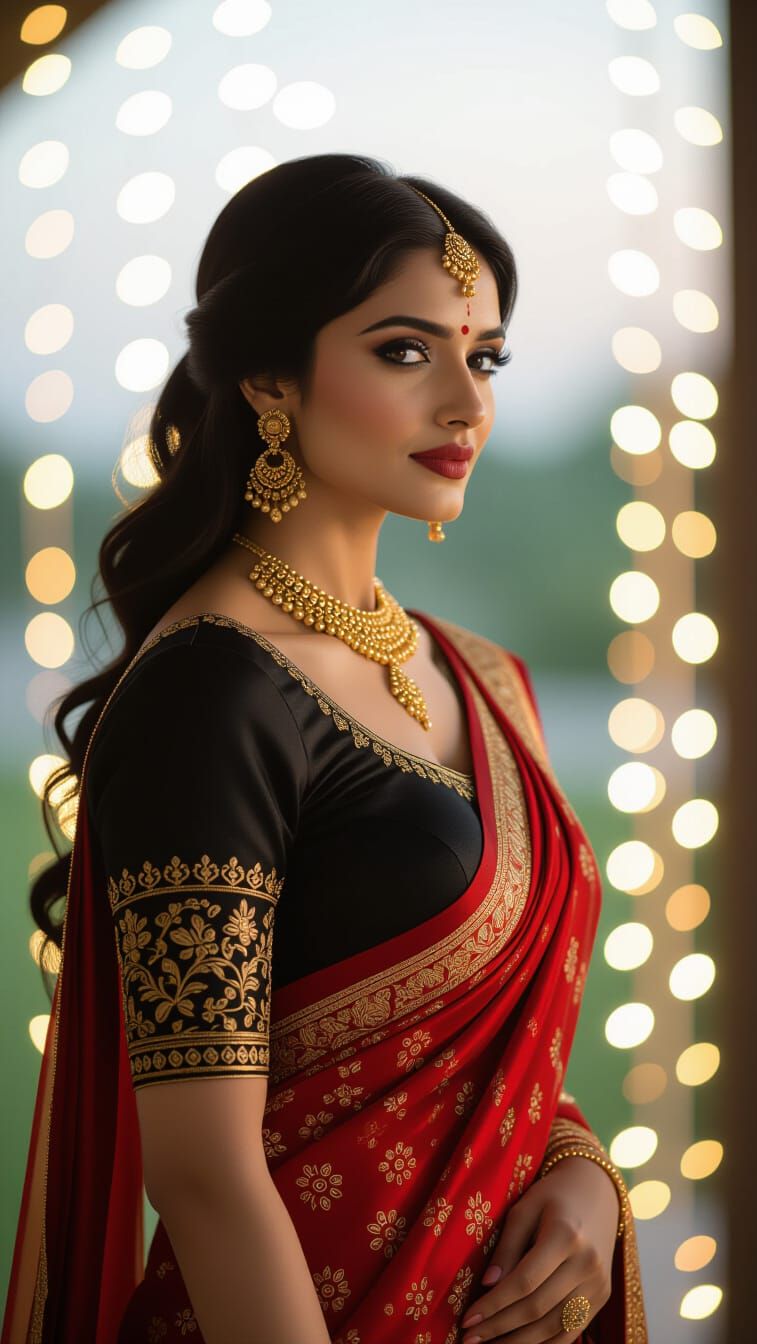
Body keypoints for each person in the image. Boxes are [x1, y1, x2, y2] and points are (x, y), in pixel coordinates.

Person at [3, 153, 647, 1344]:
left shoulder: (486, 677)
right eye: (406, 351)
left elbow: (504, 1085)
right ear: (267, 377)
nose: (466, 402)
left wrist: (581, 1182)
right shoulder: (210, 695)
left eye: (485, 355)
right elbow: (203, 1171)